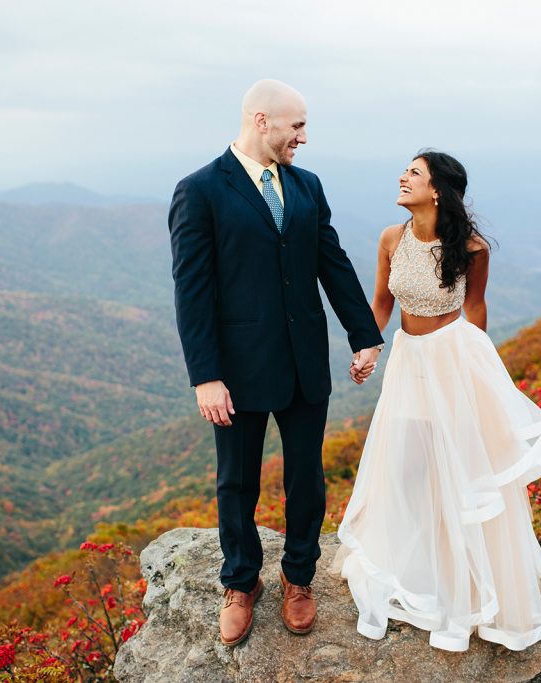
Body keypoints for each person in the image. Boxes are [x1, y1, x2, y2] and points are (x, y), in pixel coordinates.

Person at [169, 79, 384, 647]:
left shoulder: (308, 186)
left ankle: (298, 578)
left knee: (306, 479)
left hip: (305, 360)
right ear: (262, 120)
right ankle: (240, 585)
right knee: (236, 481)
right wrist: (205, 376)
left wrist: (364, 335)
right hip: (235, 371)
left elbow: (331, 263)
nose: (304, 138)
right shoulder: (200, 190)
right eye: (297, 126)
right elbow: (192, 291)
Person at [333, 150, 541, 652]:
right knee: (408, 467)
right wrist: (367, 347)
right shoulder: (391, 238)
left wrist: (476, 383)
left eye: (413, 172)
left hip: (454, 361)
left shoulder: (472, 248)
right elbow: (383, 303)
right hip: (408, 365)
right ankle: (417, 572)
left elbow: (475, 309)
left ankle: (465, 590)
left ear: (437, 190)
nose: (402, 177)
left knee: (456, 474)